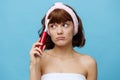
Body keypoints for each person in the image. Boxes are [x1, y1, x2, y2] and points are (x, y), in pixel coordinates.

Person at [29, 2, 97, 80]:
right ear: (48, 31)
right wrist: (34, 65)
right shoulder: (40, 59)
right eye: (53, 26)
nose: (59, 31)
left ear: (75, 28)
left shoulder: (89, 63)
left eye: (65, 25)